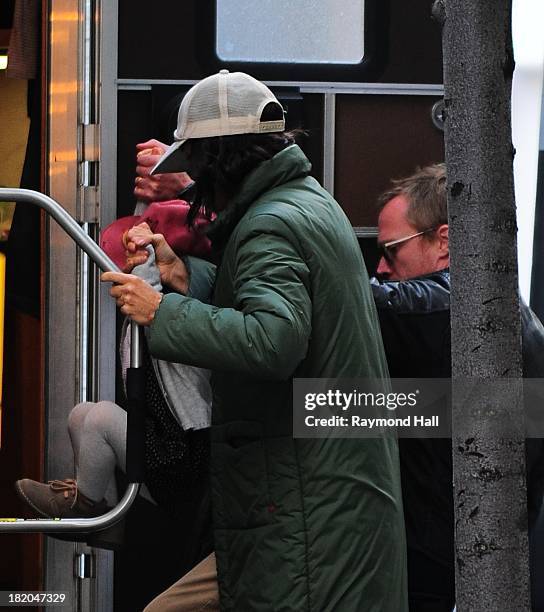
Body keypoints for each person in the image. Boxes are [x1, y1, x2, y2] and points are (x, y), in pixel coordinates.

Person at [102, 70, 408, 611]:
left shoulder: (269, 223)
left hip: (302, 504)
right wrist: (183, 275)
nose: (193, 178)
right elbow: (268, 302)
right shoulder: (304, 202)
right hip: (312, 495)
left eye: (195, 161)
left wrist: (162, 312)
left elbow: (273, 340)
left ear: (218, 157)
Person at [370, 163, 544, 611]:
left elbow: (373, 306)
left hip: (436, 564)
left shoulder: (456, 307)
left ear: (444, 241)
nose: (381, 268)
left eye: (391, 251)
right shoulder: (514, 319)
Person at [15, 202, 213, 545]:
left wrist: (147, 260)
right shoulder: (151, 307)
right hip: (161, 448)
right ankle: (103, 513)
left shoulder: (178, 309)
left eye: (142, 259)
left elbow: (157, 304)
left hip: (186, 454)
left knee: (103, 417)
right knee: (82, 414)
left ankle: (86, 504)